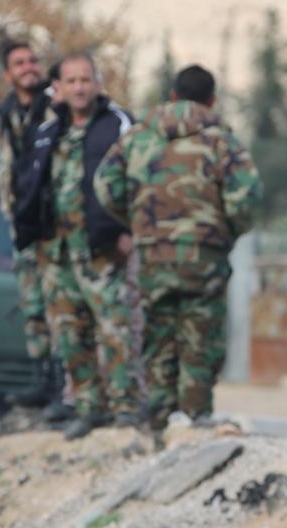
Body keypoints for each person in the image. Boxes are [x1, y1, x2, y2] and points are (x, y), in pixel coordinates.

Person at [94, 64, 261, 431]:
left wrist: (137, 222)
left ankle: (156, 414)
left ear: (172, 95)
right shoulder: (221, 140)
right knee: (201, 333)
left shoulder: (137, 137)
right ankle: (197, 414)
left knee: (156, 331)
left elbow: (105, 185)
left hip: (153, 253)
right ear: (212, 99)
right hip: (205, 254)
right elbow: (246, 198)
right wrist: (227, 230)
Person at [13, 52, 139, 440]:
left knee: (114, 329)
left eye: (86, 80)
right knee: (70, 332)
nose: (80, 87)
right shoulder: (49, 131)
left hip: (100, 249)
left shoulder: (118, 125)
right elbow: (28, 184)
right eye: (72, 81)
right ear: (60, 88)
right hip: (56, 254)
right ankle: (87, 407)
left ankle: (125, 409)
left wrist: (128, 230)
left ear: (98, 83)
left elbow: (141, 179)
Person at [0, 41, 68, 417]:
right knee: (33, 306)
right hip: (24, 221)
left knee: (59, 307)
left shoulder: (56, 105)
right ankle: (42, 382)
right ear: (8, 75)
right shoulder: (8, 113)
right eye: (19, 63)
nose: (29, 67)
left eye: (33, 60)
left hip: (53, 222)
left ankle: (63, 389)